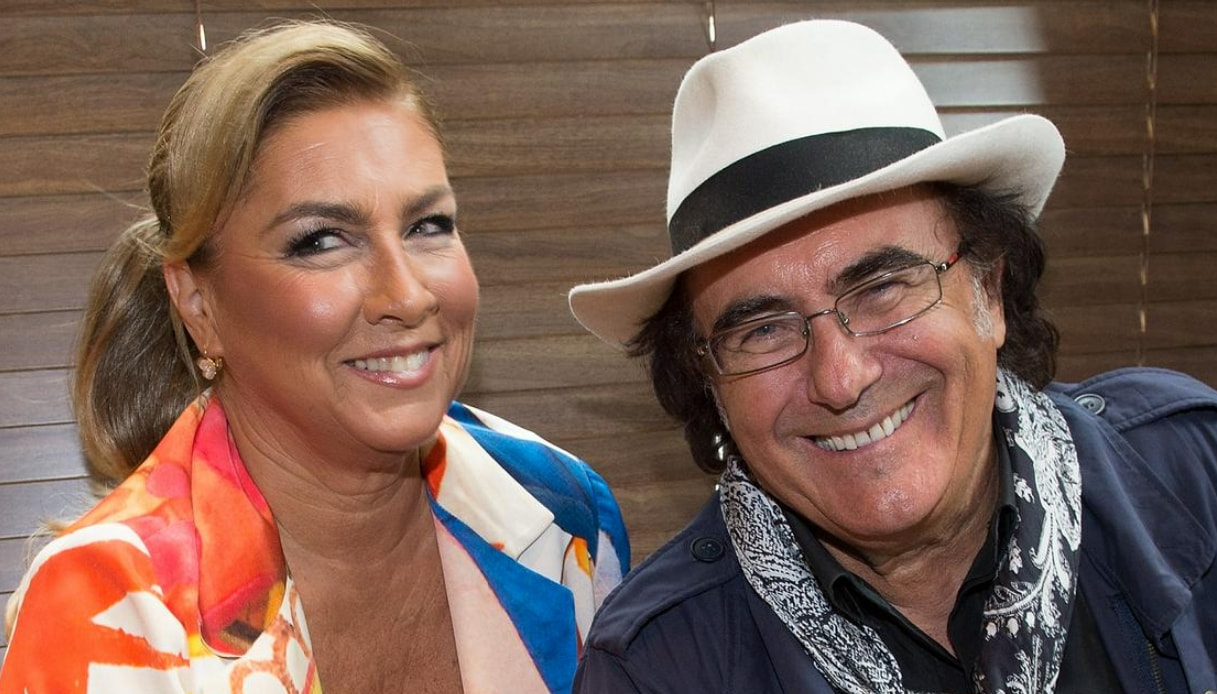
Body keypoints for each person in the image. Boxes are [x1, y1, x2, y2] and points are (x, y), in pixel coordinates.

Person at [567, 19, 1217, 694]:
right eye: (761, 331)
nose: (841, 379)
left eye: (881, 289)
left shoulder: (1193, 474)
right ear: (709, 385)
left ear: (988, 293)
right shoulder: (655, 669)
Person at [0, 20, 627, 694]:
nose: (408, 295)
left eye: (428, 225)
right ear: (199, 306)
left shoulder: (563, 510)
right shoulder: (106, 606)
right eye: (322, 240)